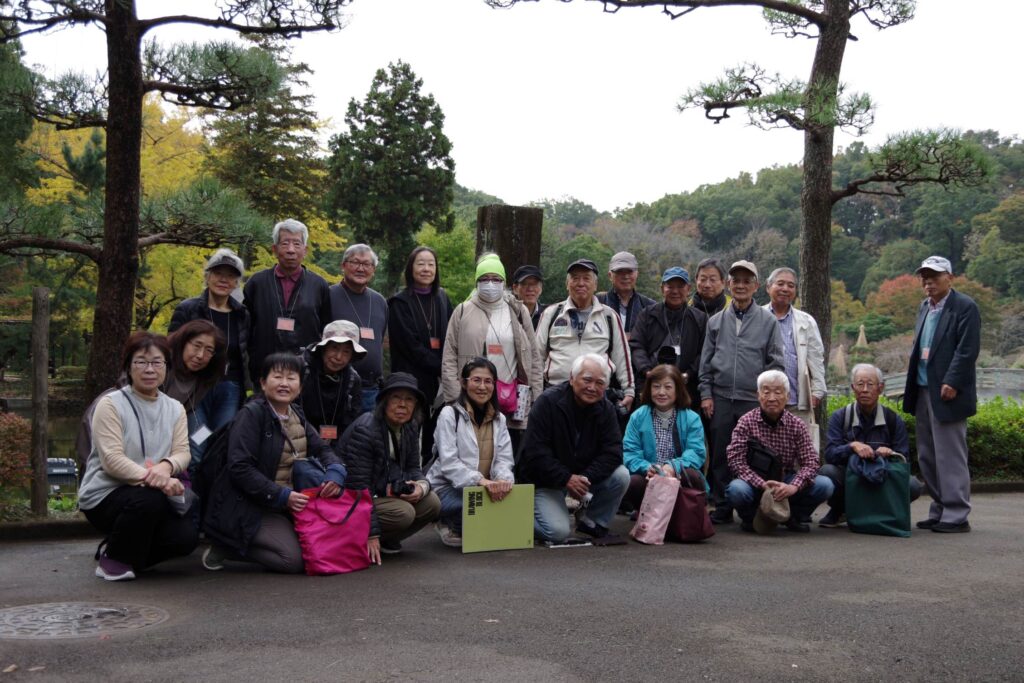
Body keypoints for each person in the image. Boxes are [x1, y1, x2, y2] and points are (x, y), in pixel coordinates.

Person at [202, 353, 348, 574]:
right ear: (262, 382)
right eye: (277, 376)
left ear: (299, 386)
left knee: (320, 548)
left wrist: (336, 472)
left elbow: (323, 449)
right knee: (293, 560)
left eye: (291, 378)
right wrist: (281, 495)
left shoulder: (295, 413)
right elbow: (240, 468)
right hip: (252, 504)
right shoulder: (251, 415)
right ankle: (227, 546)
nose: (284, 383)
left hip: (286, 503)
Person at [78, 331, 198, 581]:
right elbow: (111, 460)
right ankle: (114, 562)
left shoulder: (174, 408)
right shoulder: (110, 404)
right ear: (128, 367)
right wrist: (158, 479)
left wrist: (167, 466)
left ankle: (123, 551)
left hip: (152, 493)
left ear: (166, 367)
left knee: (186, 538)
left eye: (157, 362)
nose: (149, 369)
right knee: (148, 500)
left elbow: (183, 452)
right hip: (106, 494)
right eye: (141, 362)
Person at [699, 260, 784, 525]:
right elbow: (705, 363)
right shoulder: (715, 322)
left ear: (756, 286)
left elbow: (776, 362)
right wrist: (706, 394)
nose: (741, 285)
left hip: (752, 399)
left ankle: (754, 508)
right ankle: (723, 505)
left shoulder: (768, 321)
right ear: (728, 284)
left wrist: (768, 397)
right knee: (721, 455)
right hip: (722, 397)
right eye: (736, 280)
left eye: (747, 281)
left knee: (755, 455)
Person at [902, 256, 980, 533]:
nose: (928, 281)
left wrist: (953, 381)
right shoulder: (925, 307)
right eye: (924, 276)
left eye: (934, 276)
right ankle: (939, 508)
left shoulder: (965, 307)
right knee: (928, 455)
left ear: (950, 277)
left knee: (950, 455)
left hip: (948, 392)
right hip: (923, 389)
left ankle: (957, 514)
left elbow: (967, 350)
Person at [518, 353, 630, 543]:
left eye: (600, 383)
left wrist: (585, 478)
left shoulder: (607, 409)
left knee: (621, 476)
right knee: (557, 532)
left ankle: (591, 521)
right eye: (587, 379)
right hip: (546, 481)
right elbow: (535, 452)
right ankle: (514, 519)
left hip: (583, 477)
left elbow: (613, 452)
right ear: (572, 378)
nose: (592, 387)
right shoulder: (547, 402)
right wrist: (566, 478)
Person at [442, 253, 542, 456]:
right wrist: (455, 399)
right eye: (484, 279)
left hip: (509, 399)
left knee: (507, 455)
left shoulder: (518, 310)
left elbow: (534, 357)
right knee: (472, 455)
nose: (490, 284)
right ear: (477, 282)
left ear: (504, 282)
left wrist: (535, 397)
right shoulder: (462, 311)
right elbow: (449, 357)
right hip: (471, 398)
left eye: (496, 279)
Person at [338, 372, 442, 559]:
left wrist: (421, 487)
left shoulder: (409, 426)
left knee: (431, 502)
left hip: (381, 492)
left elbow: (413, 468)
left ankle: (386, 540)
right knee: (403, 513)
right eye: (396, 397)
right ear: (384, 401)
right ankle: (361, 541)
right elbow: (359, 488)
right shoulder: (366, 429)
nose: (402, 404)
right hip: (350, 499)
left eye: (409, 399)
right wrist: (372, 533)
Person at [724, 370, 834, 533]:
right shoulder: (746, 422)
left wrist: (793, 487)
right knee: (736, 490)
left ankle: (792, 516)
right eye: (766, 391)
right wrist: (761, 483)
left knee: (825, 485)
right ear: (758, 395)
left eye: (778, 392)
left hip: (786, 479)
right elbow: (736, 461)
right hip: (755, 481)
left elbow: (811, 462)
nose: (772, 398)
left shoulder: (796, 424)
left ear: (787, 396)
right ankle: (751, 518)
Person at [820, 364, 923, 527]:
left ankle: (879, 512)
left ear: (881, 388)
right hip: (851, 476)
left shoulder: (893, 420)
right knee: (827, 472)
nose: (865, 389)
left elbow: (904, 460)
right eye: (860, 384)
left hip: (881, 476)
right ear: (853, 388)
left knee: (913, 485)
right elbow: (830, 454)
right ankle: (841, 509)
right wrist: (852, 447)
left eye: (870, 384)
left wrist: (890, 454)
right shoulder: (840, 417)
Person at [428, 358, 515, 547]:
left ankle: (462, 523)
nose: (482, 387)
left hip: (480, 488)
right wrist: (481, 481)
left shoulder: (499, 419)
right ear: (464, 383)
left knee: (510, 511)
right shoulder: (449, 414)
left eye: (488, 381)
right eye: (476, 380)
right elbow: (449, 464)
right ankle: (445, 522)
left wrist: (502, 480)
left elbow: (504, 458)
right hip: (445, 488)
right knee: (472, 510)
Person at [536, 258, 634, 412]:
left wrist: (629, 390)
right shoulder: (552, 313)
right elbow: (537, 356)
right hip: (555, 392)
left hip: (596, 393)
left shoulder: (609, 316)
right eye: (575, 278)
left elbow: (622, 355)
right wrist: (536, 393)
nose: (580, 283)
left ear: (595, 285)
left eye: (586, 278)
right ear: (567, 284)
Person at [243, 219, 332, 386]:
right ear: (274, 249)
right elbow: (245, 329)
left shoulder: (319, 285)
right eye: (285, 243)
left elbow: (326, 329)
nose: (291, 250)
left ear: (305, 250)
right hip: (265, 369)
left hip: (306, 371)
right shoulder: (257, 283)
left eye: (297, 244)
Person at [168, 248, 249, 427]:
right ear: (207, 277)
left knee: (221, 440)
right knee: (198, 440)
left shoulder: (241, 314)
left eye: (230, 276)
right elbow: (171, 348)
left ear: (236, 283)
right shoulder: (188, 309)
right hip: (194, 385)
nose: (223, 280)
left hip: (230, 386)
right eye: (218, 273)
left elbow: (244, 353)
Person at [388, 246, 454, 463]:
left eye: (431, 264)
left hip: (439, 381)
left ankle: (428, 474)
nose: (426, 269)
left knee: (434, 433)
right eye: (421, 264)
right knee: (409, 432)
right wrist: (443, 367)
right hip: (411, 379)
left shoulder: (443, 298)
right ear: (411, 268)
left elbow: (452, 335)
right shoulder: (399, 302)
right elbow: (410, 346)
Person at [622, 364, 707, 512]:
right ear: (649, 389)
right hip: (649, 475)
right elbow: (630, 453)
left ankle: (686, 515)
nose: (661, 392)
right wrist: (648, 468)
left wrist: (672, 468)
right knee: (632, 482)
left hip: (679, 474)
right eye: (656, 387)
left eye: (668, 387)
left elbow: (696, 452)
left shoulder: (691, 418)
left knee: (692, 475)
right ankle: (645, 513)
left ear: (678, 390)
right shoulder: (638, 416)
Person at [629, 266, 707, 402]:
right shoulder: (647, 315)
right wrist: (647, 372)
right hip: (651, 386)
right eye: (670, 286)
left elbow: (704, 352)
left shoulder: (699, 318)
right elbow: (637, 346)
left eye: (680, 287)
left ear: (688, 289)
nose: (675, 291)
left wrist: (688, 374)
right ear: (662, 289)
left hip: (686, 388)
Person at [329, 244, 388, 412]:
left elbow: (380, 339)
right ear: (343, 266)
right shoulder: (328, 295)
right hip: (337, 385)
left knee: (368, 436)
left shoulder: (380, 301)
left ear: (373, 269)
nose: (361, 268)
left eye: (367, 264)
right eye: (355, 262)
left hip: (371, 389)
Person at [763, 267, 826, 426]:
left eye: (791, 286)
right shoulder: (757, 316)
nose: (785, 289)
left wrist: (817, 391)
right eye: (780, 284)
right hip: (763, 401)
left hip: (797, 400)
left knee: (798, 447)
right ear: (768, 287)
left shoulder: (806, 320)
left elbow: (816, 357)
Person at [162, 320, 227, 472]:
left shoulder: (206, 375)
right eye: (196, 346)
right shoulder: (161, 362)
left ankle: (192, 484)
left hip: (185, 416)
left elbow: (190, 409)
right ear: (184, 341)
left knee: (201, 440)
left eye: (209, 350)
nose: (200, 355)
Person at [299, 320, 366, 451]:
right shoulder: (300, 369)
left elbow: (352, 420)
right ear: (323, 347)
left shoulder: (353, 380)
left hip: (335, 446)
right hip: (299, 441)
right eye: (334, 348)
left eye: (346, 352)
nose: (338, 357)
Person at [598, 251, 655, 337]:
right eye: (620, 271)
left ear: (637, 274)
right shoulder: (597, 303)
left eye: (629, 271)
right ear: (610, 275)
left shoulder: (650, 307)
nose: (625, 276)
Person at [511, 265, 546, 329]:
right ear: (515, 288)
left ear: (541, 288)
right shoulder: (508, 314)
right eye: (524, 284)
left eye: (535, 284)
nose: (530, 289)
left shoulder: (548, 315)